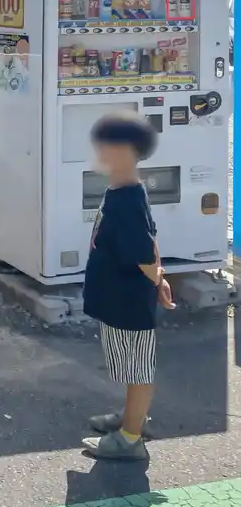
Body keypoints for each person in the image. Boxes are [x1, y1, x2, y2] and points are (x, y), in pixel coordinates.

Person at [81, 114, 174, 460]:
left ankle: (131, 437)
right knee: (129, 363)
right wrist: (160, 277)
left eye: (105, 144)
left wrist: (158, 280)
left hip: (128, 300)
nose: (99, 151)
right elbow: (151, 242)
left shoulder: (129, 199)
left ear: (124, 151)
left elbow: (143, 253)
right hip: (119, 296)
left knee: (138, 368)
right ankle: (130, 417)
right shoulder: (124, 189)